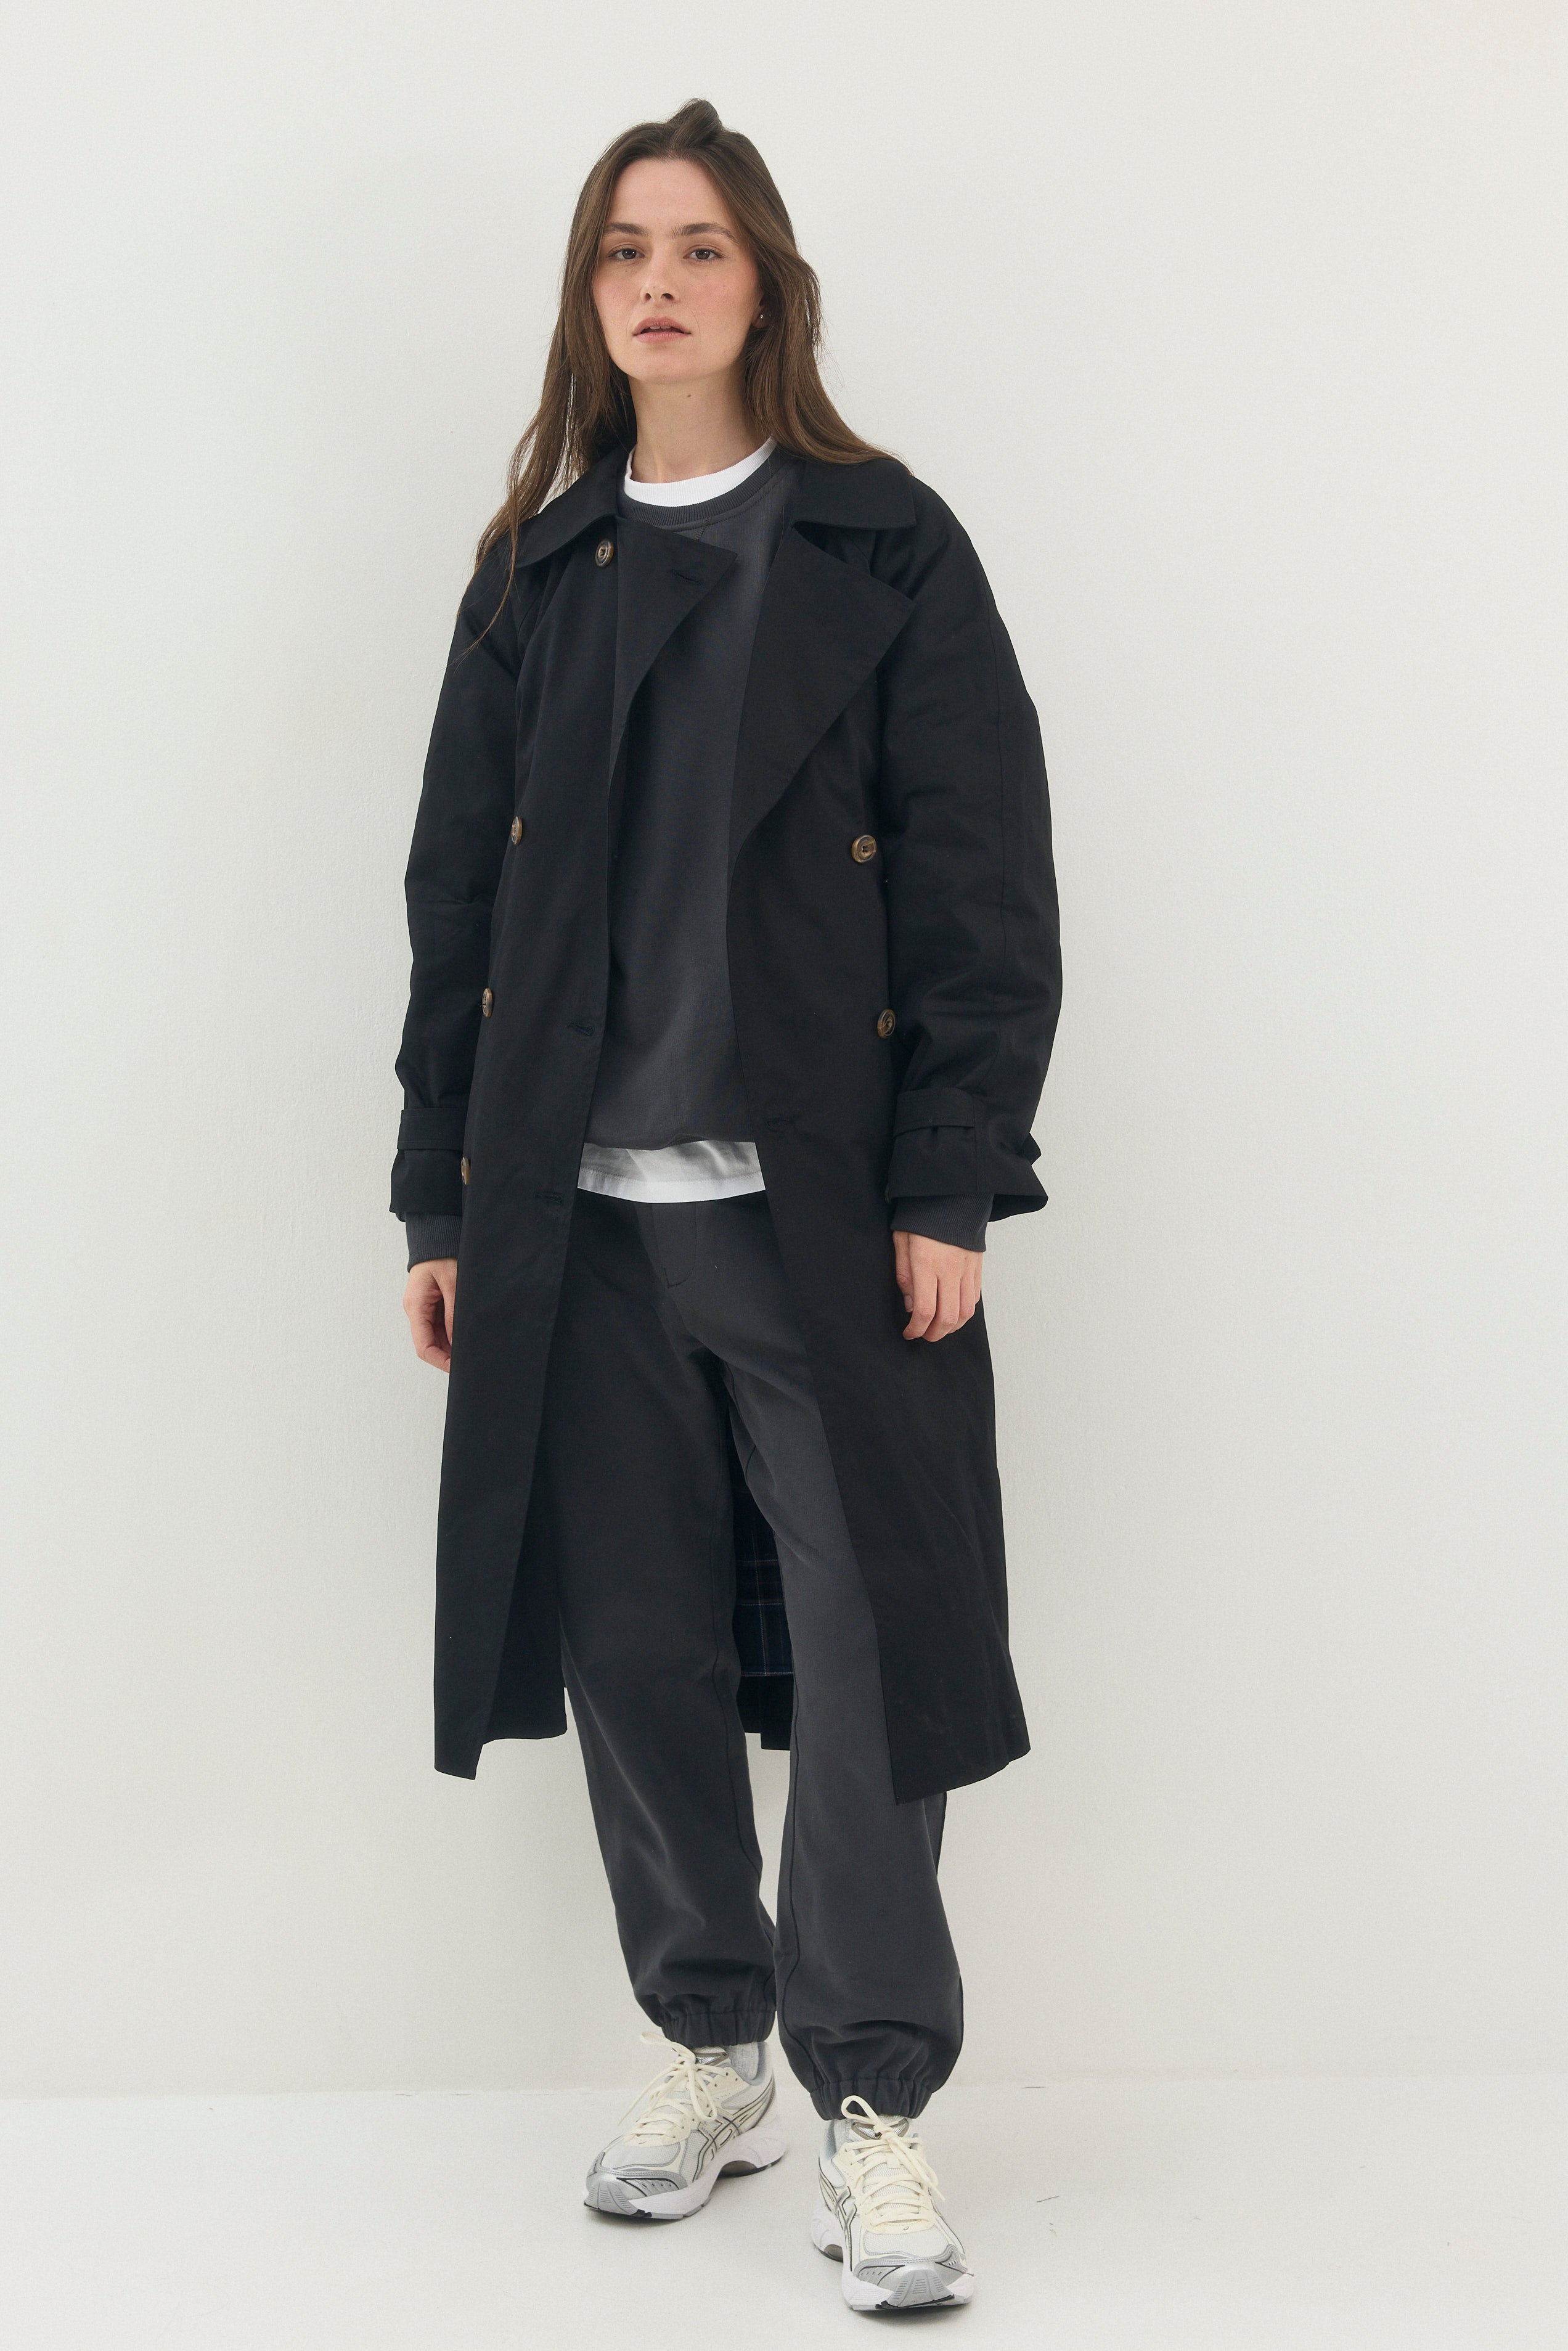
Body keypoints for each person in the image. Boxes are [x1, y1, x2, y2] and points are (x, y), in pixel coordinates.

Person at [391, 97, 1060, 2315]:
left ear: (765, 282)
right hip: (575, 1218)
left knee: (871, 1652)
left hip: (823, 1213)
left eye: (696, 246)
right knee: (636, 1642)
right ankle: (710, 2040)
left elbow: (982, 886)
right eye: (621, 250)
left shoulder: (883, 544)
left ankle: (872, 2096)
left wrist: (952, 1171)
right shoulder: (540, 567)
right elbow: (457, 911)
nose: (657, 283)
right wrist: (439, 1201)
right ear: (588, 298)